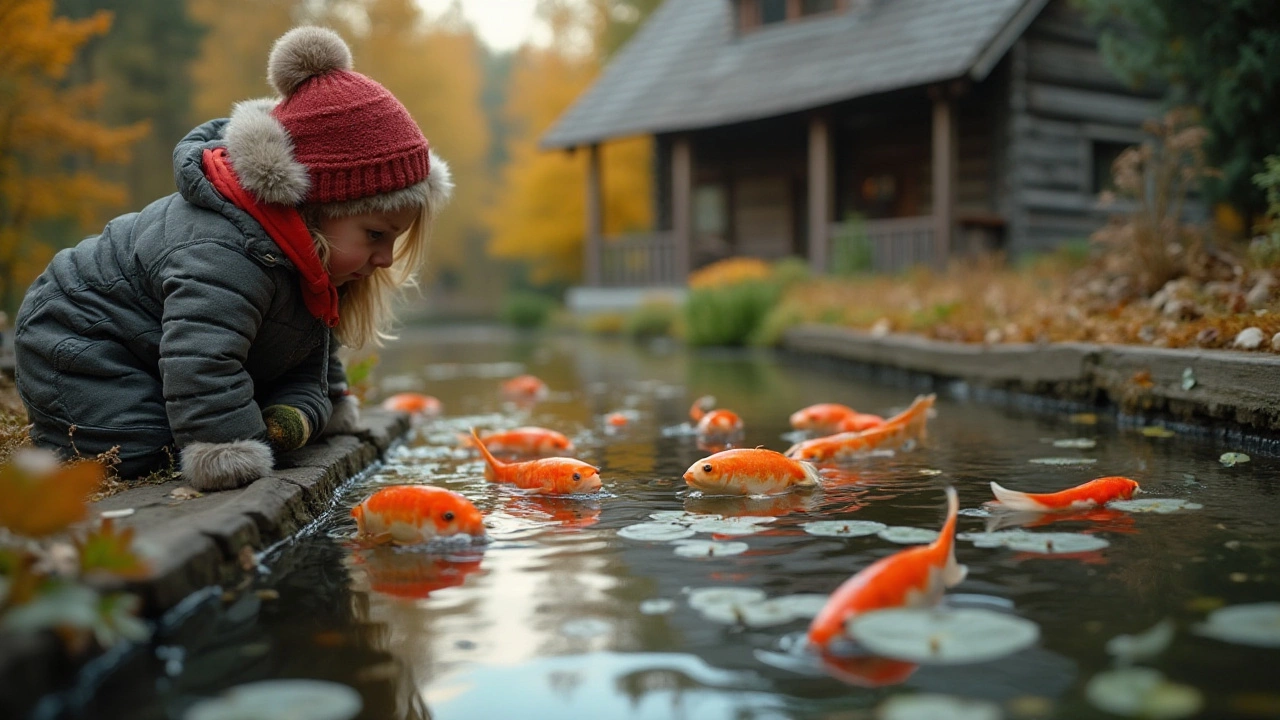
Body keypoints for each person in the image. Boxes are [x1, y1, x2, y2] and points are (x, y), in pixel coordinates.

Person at [12, 26, 452, 491]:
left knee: (253, 419)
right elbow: (200, 357)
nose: (385, 259)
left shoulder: (306, 261)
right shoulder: (224, 252)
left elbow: (305, 356)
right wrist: (228, 444)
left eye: (393, 241)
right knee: (144, 449)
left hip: (157, 353)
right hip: (79, 340)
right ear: (314, 209)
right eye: (375, 235)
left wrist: (314, 406)